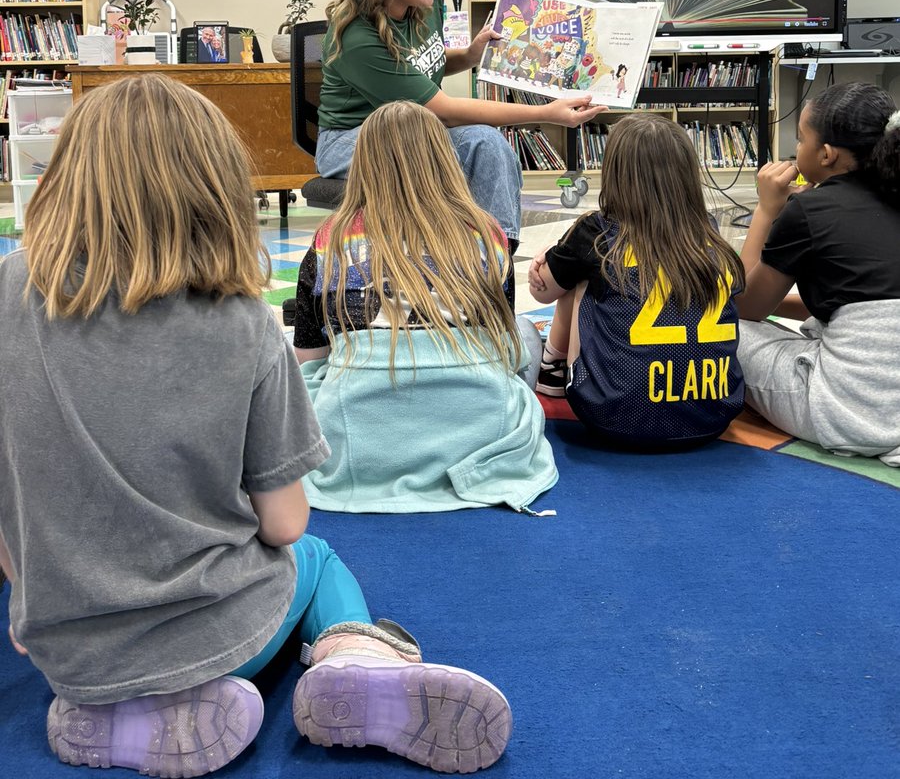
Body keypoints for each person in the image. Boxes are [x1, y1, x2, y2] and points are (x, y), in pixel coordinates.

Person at [0, 74, 512, 777]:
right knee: (318, 558)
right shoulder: (240, 321)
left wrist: (26, 584)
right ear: (215, 185)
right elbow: (285, 525)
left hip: (64, 641)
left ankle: (107, 715)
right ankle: (354, 658)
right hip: (221, 630)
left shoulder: (7, 294)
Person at [294, 100, 558, 512]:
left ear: (364, 164)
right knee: (524, 332)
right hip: (481, 421)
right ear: (445, 157)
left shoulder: (331, 237)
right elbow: (503, 341)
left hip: (359, 436)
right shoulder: (488, 233)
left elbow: (310, 356)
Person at [316, 0, 601, 247]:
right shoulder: (356, 36)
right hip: (351, 139)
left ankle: (497, 260)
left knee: (490, 146)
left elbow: (420, 66)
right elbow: (445, 111)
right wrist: (545, 113)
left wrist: (468, 56)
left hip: (418, 126)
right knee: (434, 153)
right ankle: (440, 262)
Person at [528, 114, 745, 449]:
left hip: (611, 415)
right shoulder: (708, 231)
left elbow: (542, 292)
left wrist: (549, 257)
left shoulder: (597, 232)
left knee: (583, 275)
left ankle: (552, 369)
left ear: (614, 173)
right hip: (712, 414)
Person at [735, 82, 900, 464]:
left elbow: (744, 306)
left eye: (800, 140)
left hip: (851, 415)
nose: (796, 150)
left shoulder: (810, 212)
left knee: (722, 326)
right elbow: (857, 302)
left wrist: (766, 210)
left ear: (825, 154)